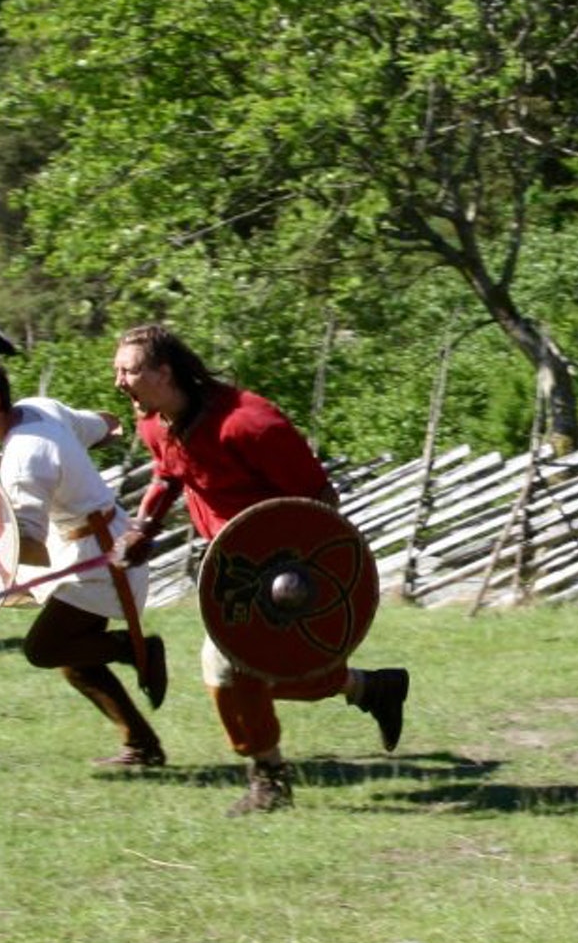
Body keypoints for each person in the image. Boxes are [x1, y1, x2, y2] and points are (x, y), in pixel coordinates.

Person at [109, 324, 410, 816]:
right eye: (117, 371)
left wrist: (297, 578)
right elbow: (169, 472)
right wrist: (144, 525)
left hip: (283, 570)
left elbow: (319, 502)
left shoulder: (250, 425)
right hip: (231, 567)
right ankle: (370, 688)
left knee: (227, 669)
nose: (120, 382)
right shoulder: (154, 421)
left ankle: (268, 779)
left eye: (130, 371)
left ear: (165, 373)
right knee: (258, 674)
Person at [0, 357, 170, 770]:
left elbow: (30, 546)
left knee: (43, 648)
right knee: (76, 663)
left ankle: (137, 650)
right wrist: (102, 434)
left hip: (103, 561)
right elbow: (100, 426)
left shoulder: (23, 458)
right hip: (99, 546)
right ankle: (142, 746)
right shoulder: (38, 407)